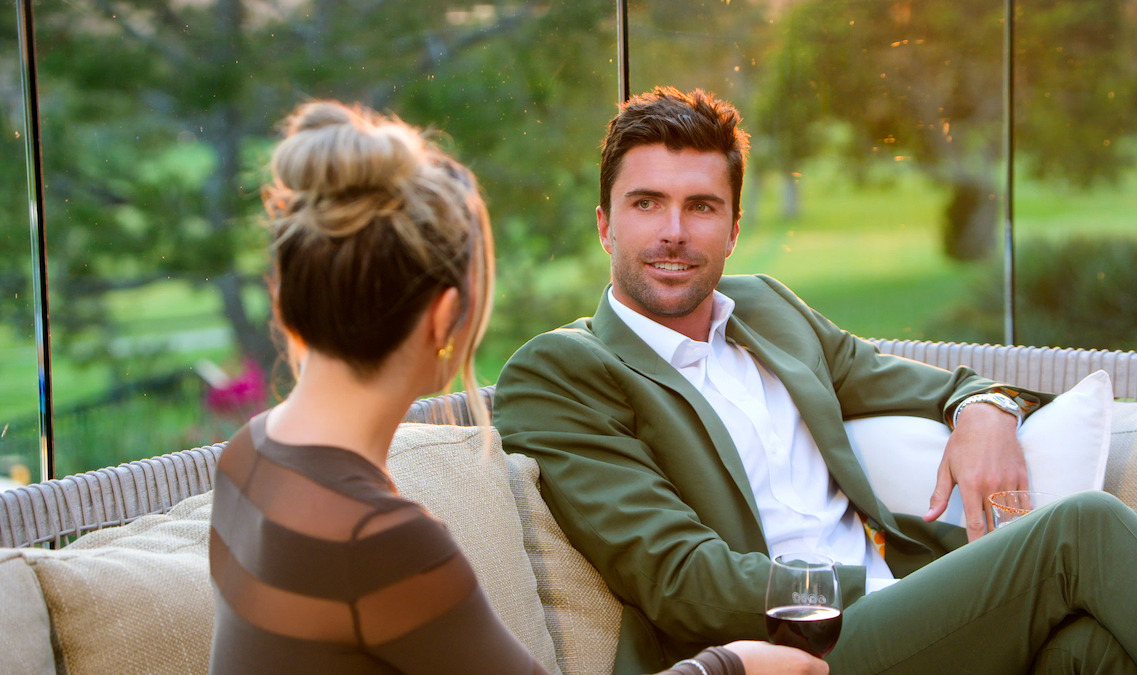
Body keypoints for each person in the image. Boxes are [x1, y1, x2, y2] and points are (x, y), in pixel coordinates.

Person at [492, 86, 1137, 674]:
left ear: (733, 227)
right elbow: (686, 582)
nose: (674, 231)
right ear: (604, 225)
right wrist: (892, 590)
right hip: (779, 654)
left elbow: (934, 384)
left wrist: (984, 406)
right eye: (646, 203)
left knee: (1092, 652)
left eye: (701, 206)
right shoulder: (563, 371)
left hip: (900, 633)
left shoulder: (769, 310)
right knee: (1084, 528)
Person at [206, 100, 826, 675]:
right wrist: (732, 667)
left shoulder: (253, 453)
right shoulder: (376, 541)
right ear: (443, 317)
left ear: (288, 295)